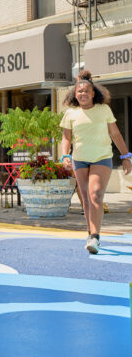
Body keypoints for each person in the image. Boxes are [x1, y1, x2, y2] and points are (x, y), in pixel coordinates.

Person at [60, 70, 131, 254]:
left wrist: (125, 157)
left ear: (93, 94)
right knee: (85, 200)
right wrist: (64, 155)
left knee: (96, 194)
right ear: (74, 94)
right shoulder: (71, 113)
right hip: (79, 159)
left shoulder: (103, 110)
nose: (82, 94)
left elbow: (115, 134)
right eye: (79, 91)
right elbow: (66, 138)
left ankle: (95, 236)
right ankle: (90, 232)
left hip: (102, 157)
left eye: (86, 91)